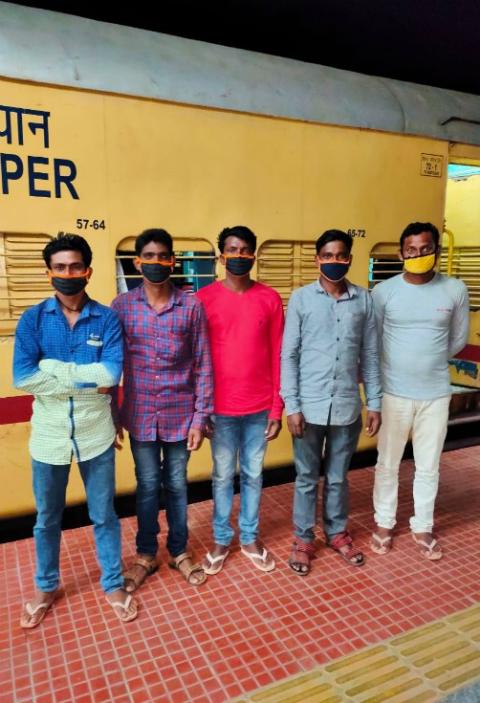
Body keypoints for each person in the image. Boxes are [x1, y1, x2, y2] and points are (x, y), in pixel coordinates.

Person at [13, 233, 137, 627]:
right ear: (49, 272)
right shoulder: (33, 319)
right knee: (47, 517)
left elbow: (110, 374)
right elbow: (22, 377)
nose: (68, 274)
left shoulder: (107, 318)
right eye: (60, 267)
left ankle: (113, 582)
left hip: (95, 433)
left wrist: (51, 370)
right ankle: (46, 586)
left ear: (88, 271)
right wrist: (82, 378)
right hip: (48, 436)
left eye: (75, 267)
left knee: (104, 513)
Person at [112, 229, 213, 589]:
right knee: (148, 486)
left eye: (163, 257)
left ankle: (179, 551)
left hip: (180, 415)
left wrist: (200, 418)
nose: (156, 263)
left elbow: (203, 364)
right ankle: (145, 555)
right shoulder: (121, 307)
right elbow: (113, 365)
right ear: (138, 262)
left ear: (173, 261)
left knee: (176, 485)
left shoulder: (191, 305)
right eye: (148, 257)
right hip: (139, 416)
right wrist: (113, 413)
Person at [281, 229, 382, 575]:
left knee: (338, 477)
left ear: (350, 259)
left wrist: (375, 402)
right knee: (307, 476)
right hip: (307, 408)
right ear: (317, 259)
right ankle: (303, 537)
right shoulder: (300, 299)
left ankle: (336, 533)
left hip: (346, 407)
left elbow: (370, 355)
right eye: (328, 255)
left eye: (341, 256)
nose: (334, 261)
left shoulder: (364, 300)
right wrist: (291, 406)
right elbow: (288, 355)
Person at [371, 222, 469, 560]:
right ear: (401, 253)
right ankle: (384, 523)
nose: (417, 255)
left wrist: (427, 360)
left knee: (428, 465)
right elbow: (375, 341)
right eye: (411, 250)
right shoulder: (384, 292)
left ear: (436, 251)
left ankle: (422, 525)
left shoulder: (455, 290)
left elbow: (457, 339)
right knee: (387, 463)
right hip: (393, 393)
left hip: (436, 394)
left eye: (424, 249)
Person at [197, 225, 284, 574]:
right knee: (221, 476)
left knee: (252, 474)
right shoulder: (202, 300)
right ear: (221, 256)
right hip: (220, 410)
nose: (239, 256)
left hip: (259, 409)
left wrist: (277, 407)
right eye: (232, 250)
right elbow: (197, 360)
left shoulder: (270, 299)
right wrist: (200, 409)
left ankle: (248, 536)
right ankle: (222, 538)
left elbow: (279, 354)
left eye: (245, 250)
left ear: (254, 255)